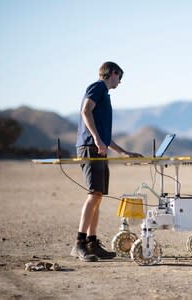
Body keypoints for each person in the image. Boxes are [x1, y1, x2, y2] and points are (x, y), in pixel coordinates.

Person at [72, 62, 142, 262]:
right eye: (119, 77)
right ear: (113, 73)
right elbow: (85, 111)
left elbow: (105, 137)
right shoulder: (98, 87)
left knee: (98, 196)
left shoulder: (104, 94)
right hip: (89, 148)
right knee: (93, 195)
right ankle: (79, 243)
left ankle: (92, 243)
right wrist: (95, 139)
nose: (120, 82)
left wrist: (123, 152)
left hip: (98, 147)